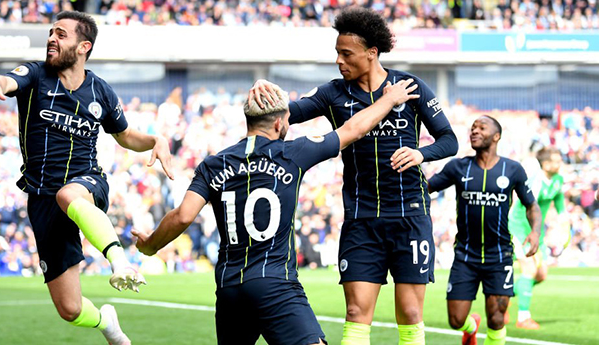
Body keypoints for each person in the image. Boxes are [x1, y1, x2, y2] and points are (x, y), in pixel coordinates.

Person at [133, 79, 420, 345]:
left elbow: (183, 215)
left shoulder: (213, 163)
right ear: (281, 122)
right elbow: (353, 129)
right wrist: (389, 99)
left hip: (230, 288)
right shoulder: (292, 153)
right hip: (274, 283)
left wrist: (150, 245)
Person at [250, 6, 459, 344]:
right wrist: (267, 89)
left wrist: (422, 153)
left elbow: (450, 140)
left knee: (410, 314)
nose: (339, 60)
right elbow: (287, 114)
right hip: (362, 219)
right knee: (356, 314)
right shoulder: (333, 93)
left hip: (410, 216)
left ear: (371, 53)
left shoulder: (411, 86)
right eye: (337, 53)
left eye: (346, 53)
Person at [0, 11, 173, 345]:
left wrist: (156, 140)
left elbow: (124, 136)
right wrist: (0, 84)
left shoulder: (100, 92)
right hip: (42, 198)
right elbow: (12, 79)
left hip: (86, 181)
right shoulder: (37, 75)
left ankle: (120, 262)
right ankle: (107, 323)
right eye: (51, 32)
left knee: (69, 195)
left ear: (83, 46)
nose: (52, 38)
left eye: (61, 34)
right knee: (70, 308)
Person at [428, 115, 542, 345]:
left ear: (496, 136)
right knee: (456, 319)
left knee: (498, 319)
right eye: (472, 128)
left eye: (482, 128)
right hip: (465, 256)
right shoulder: (458, 167)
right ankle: (471, 327)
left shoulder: (513, 169)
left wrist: (535, 231)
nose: (475, 131)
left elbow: (532, 205)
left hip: (499, 256)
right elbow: (426, 187)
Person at [508, 147, 569, 329]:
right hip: (520, 228)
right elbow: (526, 207)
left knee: (541, 274)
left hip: (537, 231)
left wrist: (565, 227)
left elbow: (560, 207)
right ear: (546, 163)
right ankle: (523, 318)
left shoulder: (558, 180)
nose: (560, 164)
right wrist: (530, 235)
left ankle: (502, 296)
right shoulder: (534, 181)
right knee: (529, 270)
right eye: (556, 160)